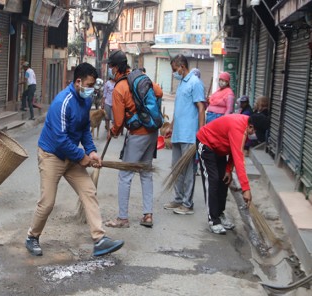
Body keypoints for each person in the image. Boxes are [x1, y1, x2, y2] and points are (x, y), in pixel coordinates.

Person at [25, 62, 124, 257]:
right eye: (88, 85)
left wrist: (92, 151)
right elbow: (60, 140)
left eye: (93, 85)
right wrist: (82, 157)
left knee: (89, 191)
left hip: (71, 156)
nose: (90, 89)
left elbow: (84, 130)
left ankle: (99, 239)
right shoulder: (62, 102)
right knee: (47, 202)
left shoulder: (86, 101)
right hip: (52, 155)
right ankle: (32, 237)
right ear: (78, 82)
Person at [104, 51, 162, 228]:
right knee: (145, 173)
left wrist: (112, 131)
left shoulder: (119, 89)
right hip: (152, 131)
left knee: (125, 175)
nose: (110, 70)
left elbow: (119, 122)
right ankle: (148, 215)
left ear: (115, 68)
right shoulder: (141, 77)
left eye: (111, 67)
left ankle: (122, 218)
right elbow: (158, 92)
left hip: (137, 134)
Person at [196, 114, 267, 234]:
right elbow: (239, 159)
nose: (254, 134)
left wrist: (228, 169)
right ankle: (213, 220)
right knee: (212, 180)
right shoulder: (238, 128)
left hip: (220, 148)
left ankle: (219, 213)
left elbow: (235, 150)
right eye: (254, 132)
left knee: (224, 180)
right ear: (251, 127)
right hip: (206, 144)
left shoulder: (245, 127)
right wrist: (246, 189)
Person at [163, 54, 206, 215]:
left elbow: (201, 108)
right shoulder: (181, 83)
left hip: (189, 134)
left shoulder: (195, 83)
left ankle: (187, 204)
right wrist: (171, 127)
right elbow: (180, 109)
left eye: (175, 69)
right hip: (178, 133)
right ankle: (178, 199)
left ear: (182, 66)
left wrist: (201, 132)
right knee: (177, 168)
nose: (174, 72)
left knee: (188, 171)